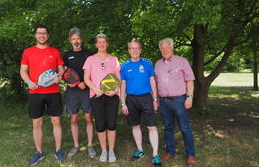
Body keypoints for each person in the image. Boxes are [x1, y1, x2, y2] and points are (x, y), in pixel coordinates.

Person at [20, 24, 65, 165]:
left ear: (48, 35)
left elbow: (61, 70)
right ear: (35, 35)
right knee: (36, 123)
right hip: (35, 92)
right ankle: (39, 152)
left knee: (56, 121)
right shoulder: (28, 52)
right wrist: (29, 82)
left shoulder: (55, 52)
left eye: (44, 33)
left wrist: (60, 76)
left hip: (53, 91)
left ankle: (58, 150)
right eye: (39, 33)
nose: (42, 35)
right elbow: (23, 71)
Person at [120, 38, 162, 167]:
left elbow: (152, 81)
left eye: (137, 48)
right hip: (131, 99)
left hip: (146, 98)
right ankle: (140, 150)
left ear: (140, 49)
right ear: (129, 50)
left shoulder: (147, 63)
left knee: (151, 126)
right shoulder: (124, 66)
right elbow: (123, 85)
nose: (135, 51)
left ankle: (155, 155)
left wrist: (155, 99)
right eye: (132, 48)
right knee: (135, 125)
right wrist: (123, 103)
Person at [154, 38, 196, 167]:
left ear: (172, 48)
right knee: (168, 128)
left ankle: (190, 155)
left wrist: (189, 97)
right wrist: (155, 99)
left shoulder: (182, 61)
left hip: (179, 100)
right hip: (164, 101)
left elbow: (190, 80)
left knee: (185, 128)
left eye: (167, 48)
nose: (165, 50)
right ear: (161, 50)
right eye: (162, 48)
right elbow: (154, 83)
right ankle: (170, 151)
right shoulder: (158, 64)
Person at [83, 33, 120, 163]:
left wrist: (115, 90)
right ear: (96, 44)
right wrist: (95, 89)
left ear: (107, 44)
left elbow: (118, 78)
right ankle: (104, 150)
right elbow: (86, 78)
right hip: (96, 96)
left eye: (104, 42)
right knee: (100, 124)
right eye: (99, 42)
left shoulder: (114, 59)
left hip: (112, 96)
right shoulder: (90, 59)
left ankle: (111, 150)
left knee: (111, 124)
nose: (102, 44)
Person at [63, 27, 96, 158]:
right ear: (70, 40)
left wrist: (86, 83)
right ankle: (76, 145)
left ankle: (90, 145)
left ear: (81, 39)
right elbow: (65, 73)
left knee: (88, 117)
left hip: (87, 90)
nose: (76, 41)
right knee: (74, 118)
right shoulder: (66, 55)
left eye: (78, 38)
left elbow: (93, 72)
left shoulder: (89, 54)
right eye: (73, 39)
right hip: (72, 91)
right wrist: (71, 83)